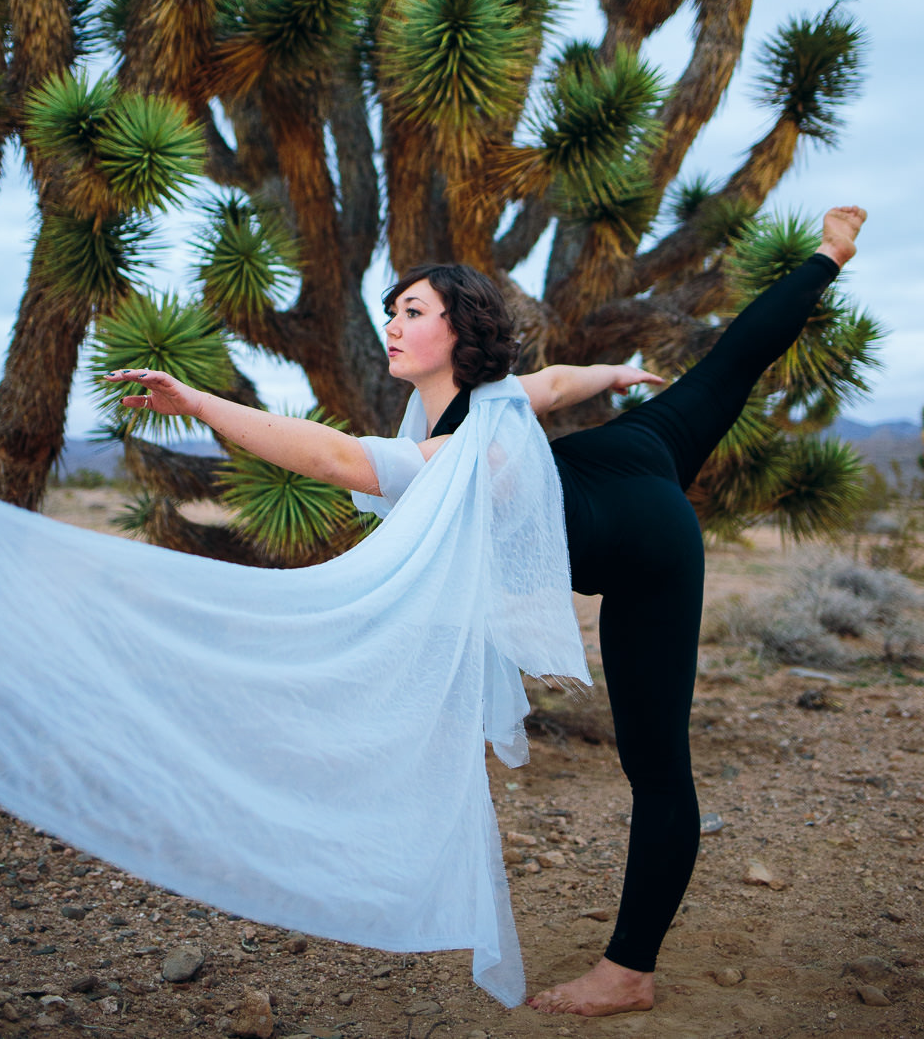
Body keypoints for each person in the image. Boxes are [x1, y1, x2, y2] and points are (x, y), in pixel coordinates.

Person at [101, 204, 866, 1018]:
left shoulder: (475, 444)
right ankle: (829, 253)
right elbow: (553, 385)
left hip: (645, 541)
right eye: (391, 311)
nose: (391, 324)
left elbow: (334, 457)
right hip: (618, 455)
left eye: (412, 313)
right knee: (723, 372)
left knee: (657, 766)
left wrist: (202, 404)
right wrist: (610, 378)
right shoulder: (482, 398)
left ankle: (630, 971)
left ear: (460, 333)